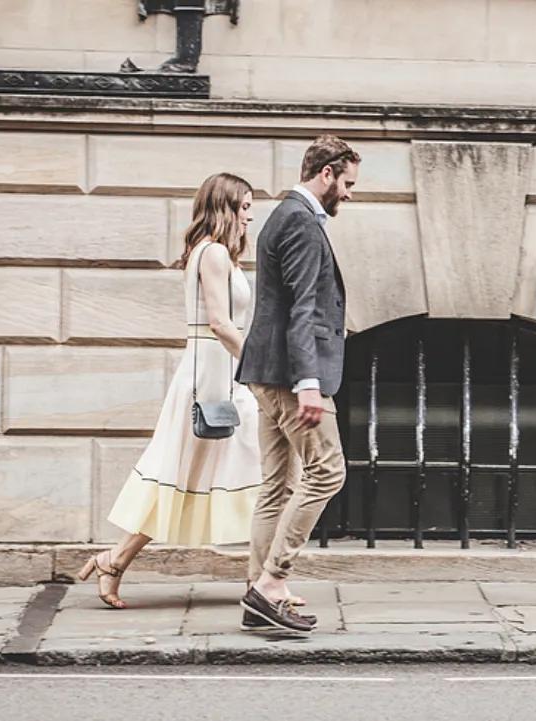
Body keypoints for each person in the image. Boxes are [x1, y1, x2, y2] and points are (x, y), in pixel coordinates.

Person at [77, 172, 262, 609]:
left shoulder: (213, 253)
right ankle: (267, 582)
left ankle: (115, 561)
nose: (250, 217)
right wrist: (257, 366)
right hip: (214, 377)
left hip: (218, 373)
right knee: (198, 474)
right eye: (245, 207)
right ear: (226, 207)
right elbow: (219, 322)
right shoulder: (214, 253)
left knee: (204, 475)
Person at [237, 135, 361, 632]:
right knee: (328, 472)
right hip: (292, 376)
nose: (350, 194)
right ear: (326, 173)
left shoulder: (283, 216)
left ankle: (258, 592)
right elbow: (304, 309)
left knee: (277, 486)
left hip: (266, 372)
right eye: (348, 183)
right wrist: (309, 382)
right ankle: (271, 582)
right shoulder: (302, 223)